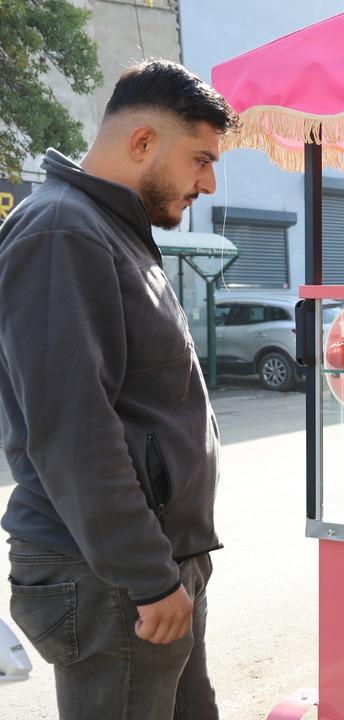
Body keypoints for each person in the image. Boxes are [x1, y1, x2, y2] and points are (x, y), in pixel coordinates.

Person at [0, 60, 234, 719]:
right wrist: (148, 575)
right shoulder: (62, 232)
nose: (208, 182)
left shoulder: (108, 231)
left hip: (144, 563)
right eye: (200, 159)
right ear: (142, 143)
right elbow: (73, 432)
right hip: (110, 574)